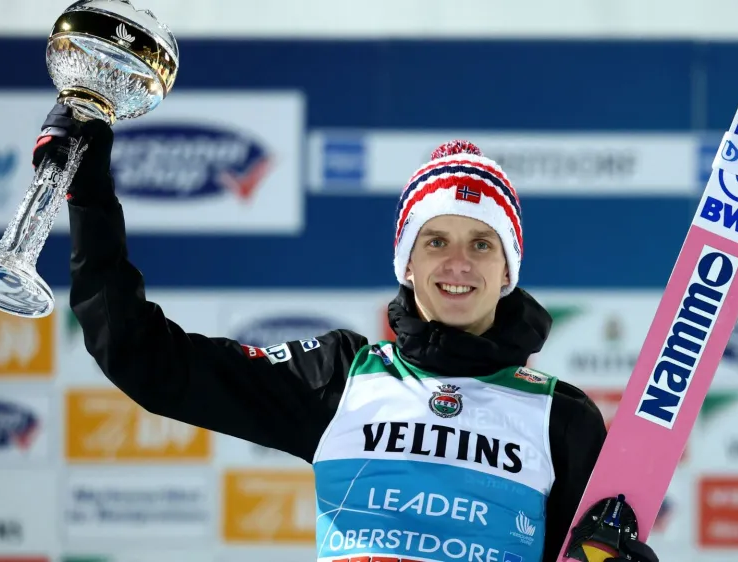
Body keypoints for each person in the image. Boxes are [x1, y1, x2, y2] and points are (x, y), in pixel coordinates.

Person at [37, 103, 659, 562]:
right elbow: (146, 359)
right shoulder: (342, 376)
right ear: (407, 265)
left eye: (481, 244)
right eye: (435, 241)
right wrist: (88, 200)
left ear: (507, 271)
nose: (458, 263)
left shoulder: (561, 418)